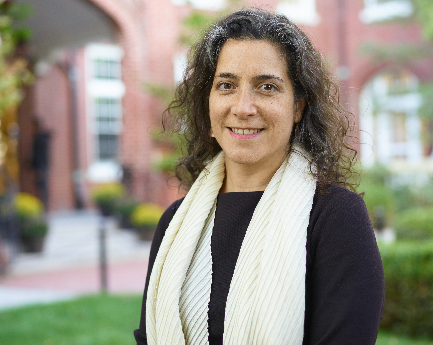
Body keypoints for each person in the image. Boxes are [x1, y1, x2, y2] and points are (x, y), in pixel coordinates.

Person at [134, 8, 384, 345]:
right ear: (207, 103)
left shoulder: (336, 218)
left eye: (267, 87)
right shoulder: (174, 222)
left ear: (298, 107)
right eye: (226, 85)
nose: (243, 107)